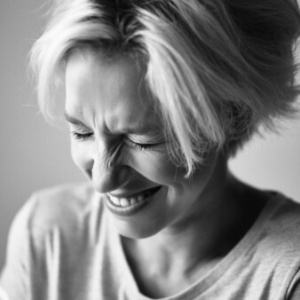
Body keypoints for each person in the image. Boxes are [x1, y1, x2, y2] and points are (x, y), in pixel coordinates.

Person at [1, 0, 300, 299]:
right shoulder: (46, 235)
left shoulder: (287, 275)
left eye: (142, 140)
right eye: (82, 132)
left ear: (232, 116)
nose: (102, 180)